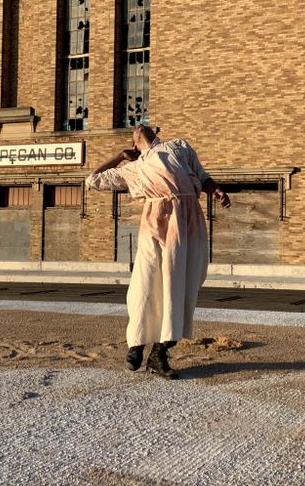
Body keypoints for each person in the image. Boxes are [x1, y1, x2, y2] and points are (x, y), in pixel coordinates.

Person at [86, 126, 230, 379]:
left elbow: (203, 175)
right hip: (155, 224)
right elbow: (93, 179)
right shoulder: (134, 168)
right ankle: (137, 344)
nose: (139, 127)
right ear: (134, 141)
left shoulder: (181, 147)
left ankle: (160, 353)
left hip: (188, 224)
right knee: (146, 282)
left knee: (182, 285)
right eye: (134, 130)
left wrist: (214, 190)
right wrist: (120, 156)